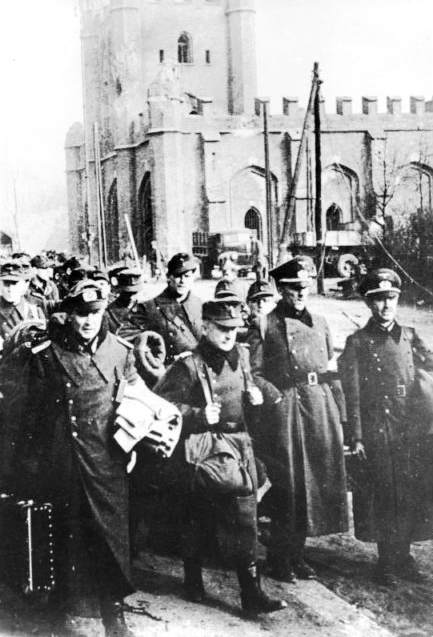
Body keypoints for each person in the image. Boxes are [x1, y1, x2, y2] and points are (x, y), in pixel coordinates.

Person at [0, 279, 138, 636]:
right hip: (64, 459)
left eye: (94, 312)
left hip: (108, 459)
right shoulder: (46, 354)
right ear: (69, 314)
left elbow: (136, 402)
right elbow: (24, 414)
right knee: (64, 536)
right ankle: (59, 611)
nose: (88, 321)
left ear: (104, 310)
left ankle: (114, 612)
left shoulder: (120, 351)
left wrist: (133, 443)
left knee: (111, 540)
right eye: (80, 313)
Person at [154, 299, 287, 614]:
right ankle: (193, 579)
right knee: (197, 515)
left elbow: (246, 385)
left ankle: (250, 591)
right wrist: (198, 415)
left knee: (244, 515)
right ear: (206, 327)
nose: (229, 334)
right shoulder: (188, 365)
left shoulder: (241, 355)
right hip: (203, 450)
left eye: (233, 329)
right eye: (222, 329)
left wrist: (254, 398)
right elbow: (162, 407)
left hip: (238, 444)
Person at [248, 255, 348, 583]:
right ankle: (279, 558)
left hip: (318, 408)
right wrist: (274, 397)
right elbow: (253, 372)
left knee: (314, 483)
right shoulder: (265, 324)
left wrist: (340, 414)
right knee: (288, 486)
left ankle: (298, 554)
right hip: (285, 410)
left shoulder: (320, 322)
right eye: (293, 288)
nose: (300, 293)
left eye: (305, 287)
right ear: (281, 289)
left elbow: (330, 370)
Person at [338, 268, 433, 586]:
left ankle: (404, 558)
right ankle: (387, 563)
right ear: (369, 304)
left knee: (408, 493)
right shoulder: (358, 342)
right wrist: (357, 435)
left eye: (391, 298)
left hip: (410, 427)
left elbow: (429, 366)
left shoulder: (409, 335)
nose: (386, 306)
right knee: (384, 495)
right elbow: (351, 393)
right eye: (379, 300)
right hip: (379, 429)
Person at [128, 252, 202, 378]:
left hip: (198, 372)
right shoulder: (148, 308)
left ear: (193, 278)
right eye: (178, 276)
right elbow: (134, 344)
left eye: (187, 276)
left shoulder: (199, 305)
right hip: (169, 374)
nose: (182, 281)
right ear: (169, 277)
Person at [0, 260, 45, 353]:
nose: (10, 289)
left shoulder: (35, 312)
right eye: (6, 284)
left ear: (23, 285)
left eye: (14, 283)